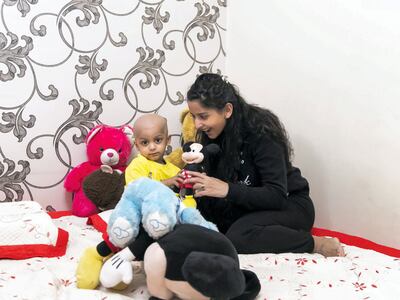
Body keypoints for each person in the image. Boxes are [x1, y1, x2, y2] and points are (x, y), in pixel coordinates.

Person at [183, 73, 344, 257]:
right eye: (194, 117)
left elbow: (276, 195)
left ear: (227, 110)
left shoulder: (260, 131)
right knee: (194, 221)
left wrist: (227, 189)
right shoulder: (214, 136)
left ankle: (316, 244)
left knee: (238, 236)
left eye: (203, 116)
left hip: (289, 204)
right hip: (251, 208)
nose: (197, 124)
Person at [77, 114, 183, 289]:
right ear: (136, 144)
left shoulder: (173, 169)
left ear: (168, 139)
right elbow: (139, 191)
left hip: (163, 219)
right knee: (132, 235)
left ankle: (129, 263)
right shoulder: (137, 165)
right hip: (137, 215)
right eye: (145, 142)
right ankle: (97, 254)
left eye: (158, 140)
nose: (152, 147)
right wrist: (169, 183)